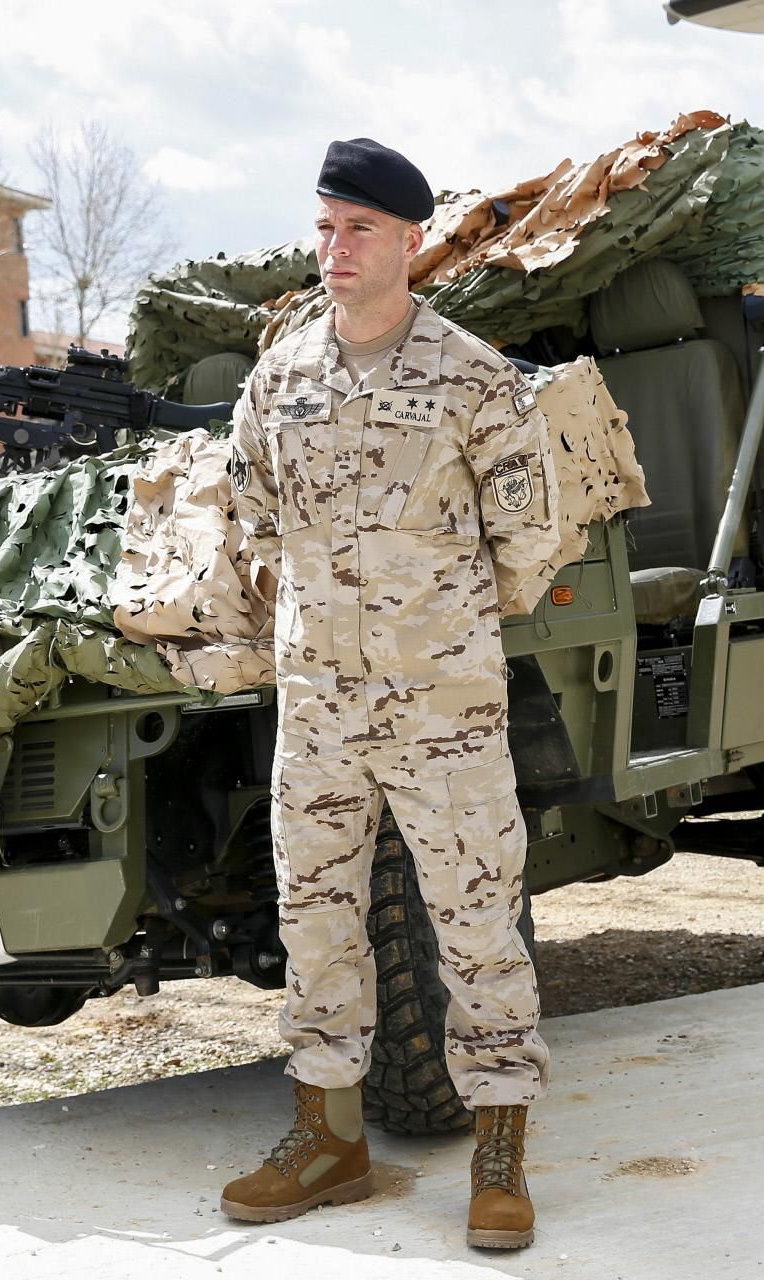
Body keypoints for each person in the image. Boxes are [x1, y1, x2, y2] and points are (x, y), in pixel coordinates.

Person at [219, 137, 560, 1251]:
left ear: (412, 240)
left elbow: (529, 547)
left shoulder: (474, 377)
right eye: (324, 227)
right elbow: (254, 521)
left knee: (474, 915)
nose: (336, 248)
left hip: (441, 703)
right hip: (319, 706)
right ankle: (328, 1136)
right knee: (314, 918)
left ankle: (500, 1142)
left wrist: (435, 631)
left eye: (358, 228)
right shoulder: (282, 377)